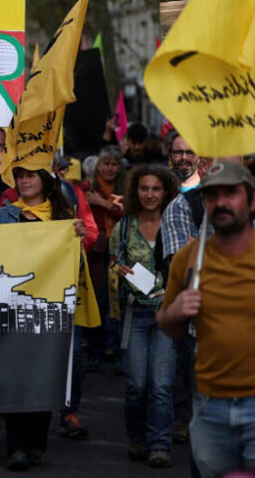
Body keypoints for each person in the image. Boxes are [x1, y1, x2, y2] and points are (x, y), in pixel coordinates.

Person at [0, 166, 87, 471]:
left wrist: (77, 240)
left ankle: (37, 442)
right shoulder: (2, 216)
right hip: (11, 311)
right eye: (20, 176)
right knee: (16, 378)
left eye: (30, 175)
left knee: (43, 376)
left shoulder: (62, 218)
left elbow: (76, 268)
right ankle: (16, 448)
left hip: (48, 310)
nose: (24, 181)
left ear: (45, 181)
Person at [157, 161, 255, 478]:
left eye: (231, 193)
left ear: (252, 201)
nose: (221, 202)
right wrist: (175, 312)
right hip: (209, 405)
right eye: (212, 195)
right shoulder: (188, 259)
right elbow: (169, 327)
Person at [109, 165, 179, 467]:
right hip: (135, 313)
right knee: (136, 385)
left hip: (169, 314)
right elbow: (112, 262)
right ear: (136, 191)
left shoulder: (176, 225)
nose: (150, 194)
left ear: (166, 192)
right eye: (144, 188)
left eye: (156, 189)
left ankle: (159, 444)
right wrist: (118, 271)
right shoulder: (125, 227)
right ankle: (137, 438)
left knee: (161, 385)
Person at [82, 146, 126, 373]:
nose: (110, 168)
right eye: (106, 164)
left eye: (114, 164)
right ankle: (95, 352)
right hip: (97, 254)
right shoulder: (88, 187)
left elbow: (127, 214)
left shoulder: (125, 188)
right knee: (97, 303)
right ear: (98, 166)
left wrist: (104, 203)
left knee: (119, 305)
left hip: (120, 252)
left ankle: (118, 352)